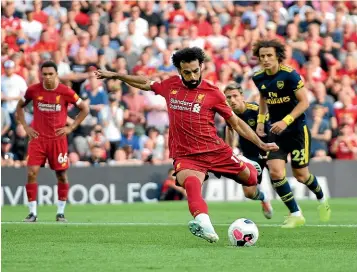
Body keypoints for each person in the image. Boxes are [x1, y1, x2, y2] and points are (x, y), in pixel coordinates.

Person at [95, 47, 278, 243]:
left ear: (201, 66)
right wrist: (116, 75)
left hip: (215, 150)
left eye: (195, 71)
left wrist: (260, 143)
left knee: (250, 180)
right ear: (180, 71)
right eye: (186, 72)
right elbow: (145, 82)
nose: (192, 76)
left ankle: (252, 177)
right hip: (186, 155)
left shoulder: (213, 93)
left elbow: (235, 123)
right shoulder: (171, 86)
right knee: (191, 183)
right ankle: (205, 226)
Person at [252, 39, 331, 228]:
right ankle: (296, 213)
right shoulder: (258, 77)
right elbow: (264, 98)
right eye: (262, 56)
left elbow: (305, 102)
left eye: (269, 55)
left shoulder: (290, 75)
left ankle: (322, 199)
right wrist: (261, 121)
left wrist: (286, 120)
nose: (265, 59)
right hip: (276, 133)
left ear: (278, 56)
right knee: (276, 172)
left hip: (296, 131)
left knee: (301, 176)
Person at [15, 61, 89, 222]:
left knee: (61, 175)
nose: (47, 77)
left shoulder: (65, 91)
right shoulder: (33, 90)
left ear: (56, 74)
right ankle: (32, 213)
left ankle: (60, 213)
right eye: (45, 74)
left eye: (50, 74)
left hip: (58, 140)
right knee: (31, 173)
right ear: (41, 74)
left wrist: (72, 127)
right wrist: (26, 127)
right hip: (38, 139)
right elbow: (19, 106)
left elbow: (85, 108)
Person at [224, 82, 273, 219]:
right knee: (249, 193)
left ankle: (294, 212)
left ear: (242, 96)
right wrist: (230, 151)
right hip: (250, 156)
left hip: (268, 151)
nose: (232, 100)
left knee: (279, 181)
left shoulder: (256, 110)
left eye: (235, 96)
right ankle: (264, 198)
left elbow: (270, 130)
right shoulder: (230, 114)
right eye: (228, 97)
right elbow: (230, 129)